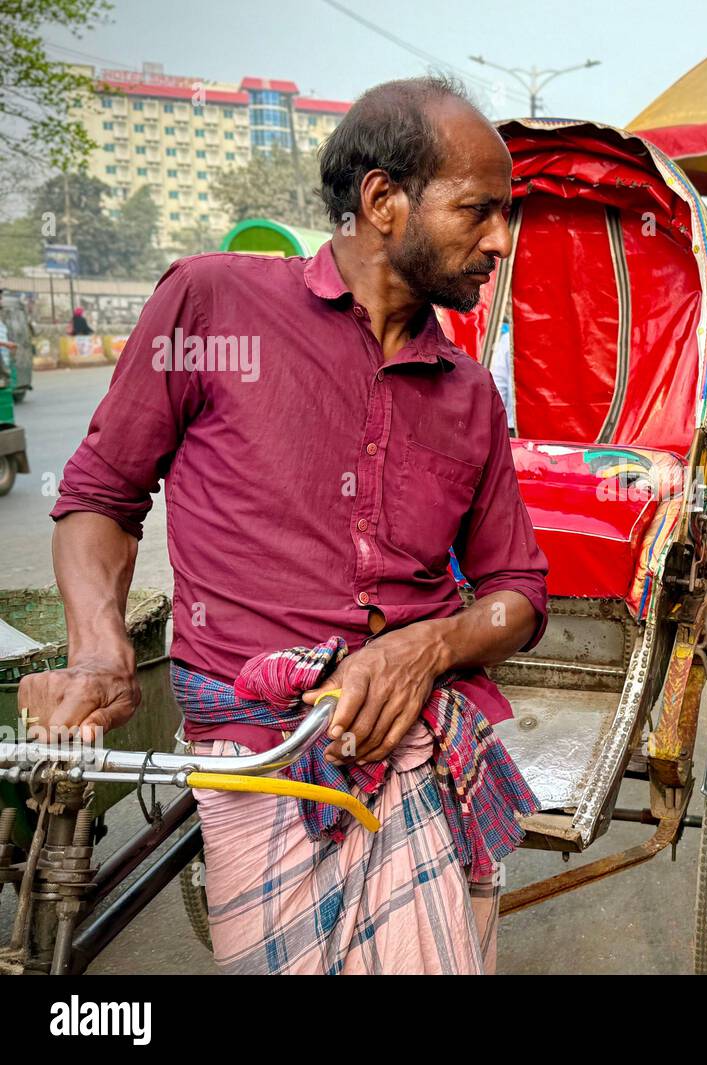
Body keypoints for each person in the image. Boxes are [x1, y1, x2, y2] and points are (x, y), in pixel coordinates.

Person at [22, 76, 549, 975]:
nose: (500, 239)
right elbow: (104, 496)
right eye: (478, 211)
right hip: (254, 745)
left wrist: (426, 648)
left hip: (417, 743)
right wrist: (102, 650)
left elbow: (519, 596)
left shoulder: (468, 394)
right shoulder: (211, 305)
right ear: (383, 200)